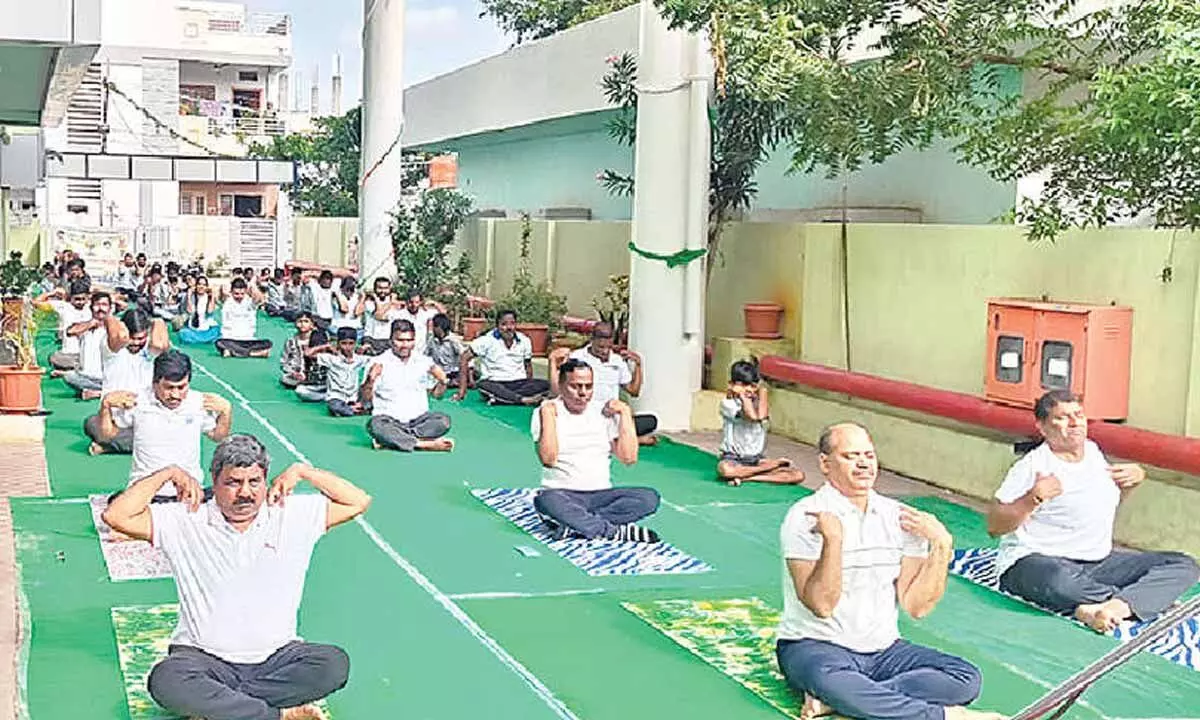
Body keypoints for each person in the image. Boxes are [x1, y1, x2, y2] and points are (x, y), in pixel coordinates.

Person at [101, 434, 371, 720]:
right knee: (166, 680)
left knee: (332, 665)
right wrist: (168, 473)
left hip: (277, 657)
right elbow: (116, 516)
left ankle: (223, 707)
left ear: (266, 481)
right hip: (203, 658)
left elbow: (358, 501)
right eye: (233, 482)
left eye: (254, 482)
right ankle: (277, 715)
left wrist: (303, 471)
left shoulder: (292, 514)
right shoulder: (186, 518)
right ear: (214, 483)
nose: (245, 493)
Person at [776, 422, 1002, 720]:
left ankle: (843, 701)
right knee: (830, 678)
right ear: (825, 464)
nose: (863, 464)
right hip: (816, 647)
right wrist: (833, 540)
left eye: (868, 455)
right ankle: (947, 717)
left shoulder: (899, 517)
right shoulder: (805, 516)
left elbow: (916, 607)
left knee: (965, 678)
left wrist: (942, 545)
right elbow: (821, 605)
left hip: (884, 650)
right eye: (850, 456)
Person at [987, 390, 1200, 633]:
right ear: (1043, 427)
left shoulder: (1093, 453)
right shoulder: (1032, 466)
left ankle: (1110, 608)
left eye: (1078, 415)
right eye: (1063, 417)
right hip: (1038, 561)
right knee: (1057, 581)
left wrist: (1132, 482)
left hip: (1096, 562)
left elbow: (1100, 508)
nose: (1075, 423)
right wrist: (1032, 498)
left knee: (1183, 565)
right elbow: (994, 526)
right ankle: (1139, 601)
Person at [531, 358, 660, 543]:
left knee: (649, 498)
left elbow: (629, 458)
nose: (583, 393)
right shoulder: (547, 412)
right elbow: (548, 459)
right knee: (546, 501)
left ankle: (578, 526)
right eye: (575, 386)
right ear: (561, 385)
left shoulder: (603, 411)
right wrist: (548, 416)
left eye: (588, 386)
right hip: (562, 493)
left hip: (601, 495)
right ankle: (615, 532)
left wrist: (624, 414)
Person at [94, 350, 233, 498]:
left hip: (188, 491)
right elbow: (106, 436)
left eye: (181, 387)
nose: (175, 395)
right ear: (154, 383)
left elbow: (218, 437)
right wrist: (105, 406)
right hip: (146, 491)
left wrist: (226, 412)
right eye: (169, 388)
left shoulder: (199, 402)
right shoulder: (137, 401)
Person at [550, 322, 657, 445]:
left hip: (611, 417)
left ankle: (614, 437)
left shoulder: (617, 361)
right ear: (593, 340)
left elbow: (634, 391)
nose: (605, 351)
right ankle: (624, 440)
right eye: (601, 348)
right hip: (585, 414)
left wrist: (638, 365)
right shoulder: (577, 358)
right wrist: (553, 363)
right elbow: (557, 392)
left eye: (608, 347)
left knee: (651, 421)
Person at [84, 309, 170, 454]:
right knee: (91, 423)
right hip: (114, 421)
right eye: (133, 338)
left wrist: (157, 320)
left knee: (165, 432)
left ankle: (109, 446)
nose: (136, 343)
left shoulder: (149, 352)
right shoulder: (112, 349)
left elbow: (160, 344)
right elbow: (122, 337)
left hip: (144, 420)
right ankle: (136, 444)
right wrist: (109, 318)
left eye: (141, 338)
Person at [362, 319, 454, 452]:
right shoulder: (378, 362)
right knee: (375, 425)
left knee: (443, 421)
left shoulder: (424, 362)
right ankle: (423, 444)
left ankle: (394, 440)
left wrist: (443, 382)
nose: (405, 345)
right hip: (389, 419)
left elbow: (437, 395)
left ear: (414, 341)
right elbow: (365, 400)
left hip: (418, 420)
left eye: (409, 340)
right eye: (400, 340)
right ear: (391, 340)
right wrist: (370, 380)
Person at [717, 360, 805, 486]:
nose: (748, 389)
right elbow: (751, 416)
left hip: (756, 459)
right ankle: (759, 472)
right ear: (731, 384)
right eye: (743, 385)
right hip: (734, 458)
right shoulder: (728, 404)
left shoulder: (759, 402)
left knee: (797, 475)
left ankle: (747, 478)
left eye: (752, 386)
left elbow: (761, 416)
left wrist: (763, 394)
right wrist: (742, 396)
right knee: (726, 470)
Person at [454, 310, 550, 406]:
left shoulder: (524, 340)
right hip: (495, 382)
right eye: (504, 324)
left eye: (512, 324)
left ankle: (503, 398)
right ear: (497, 326)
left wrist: (529, 383)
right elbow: (464, 357)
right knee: (484, 385)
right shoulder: (486, 340)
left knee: (546, 384)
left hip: (519, 383)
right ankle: (523, 400)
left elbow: (528, 365)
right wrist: (462, 390)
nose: (508, 328)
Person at [61, 291, 112, 400]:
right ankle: (101, 391)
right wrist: (91, 324)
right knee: (69, 376)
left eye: (104, 305)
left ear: (110, 308)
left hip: (107, 377)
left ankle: (98, 393)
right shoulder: (85, 326)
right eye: (97, 305)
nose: (100, 308)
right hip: (86, 376)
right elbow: (70, 332)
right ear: (91, 307)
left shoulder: (114, 329)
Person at [311, 327, 372, 417]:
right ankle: (352, 410)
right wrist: (326, 346)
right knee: (335, 406)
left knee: (372, 402)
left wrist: (368, 348)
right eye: (344, 343)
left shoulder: (359, 359)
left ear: (355, 343)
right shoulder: (331, 358)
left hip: (354, 396)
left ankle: (352, 408)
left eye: (351, 343)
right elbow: (308, 353)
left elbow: (378, 361)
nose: (347, 347)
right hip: (336, 396)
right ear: (338, 344)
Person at [43, 279, 93, 373]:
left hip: (88, 354)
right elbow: (36, 302)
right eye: (77, 299)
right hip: (69, 354)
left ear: (87, 298)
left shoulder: (92, 308)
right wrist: (52, 293)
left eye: (83, 299)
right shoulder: (63, 307)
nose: (80, 302)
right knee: (55, 357)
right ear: (71, 297)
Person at [215, 278, 273, 358]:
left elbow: (260, 298)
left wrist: (252, 286)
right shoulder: (227, 302)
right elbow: (221, 293)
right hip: (230, 339)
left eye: (242, 293)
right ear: (231, 292)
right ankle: (254, 354)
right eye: (236, 294)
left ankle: (233, 352)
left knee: (268, 343)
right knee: (219, 343)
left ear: (245, 291)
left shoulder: (250, 302)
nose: (239, 296)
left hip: (248, 340)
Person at [280, 312, 327, 395]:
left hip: (314, 374)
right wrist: (293, 373)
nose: (302, 324)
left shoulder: (318, 339)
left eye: (306, 321)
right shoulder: (290, 341)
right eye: (300, 321)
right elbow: (284, 362)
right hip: (296, 375)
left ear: (312, 325)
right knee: (284, 379)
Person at [356, 277, 396, 355]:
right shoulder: (369, 303)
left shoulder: (394, 305)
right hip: (370, 338)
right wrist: (389, 301)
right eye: (380, 288)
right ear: (375, 289)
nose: (382, 291)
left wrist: (391, 302)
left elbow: (383, 317)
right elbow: (379, 315)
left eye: (385, 288)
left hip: (386, 339)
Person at [426, 313, 466, 386]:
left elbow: (465, 356)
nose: (432, 329)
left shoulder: (453, 340)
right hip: (437, 373)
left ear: (439, 327)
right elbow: (425, 356)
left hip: (452, 373)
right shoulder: (431, 340)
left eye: (434, 327)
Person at [179, 275, 221, 344]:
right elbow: (189, 311)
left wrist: (212, 295)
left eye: (204, 285)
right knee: (183, 333)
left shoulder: (208, 297)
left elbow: (210, 311)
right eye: (199, 284)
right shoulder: (191, 297)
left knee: (217, 331)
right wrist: (189, 295)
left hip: (207, 330)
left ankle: (203, 340)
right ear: (196, 286)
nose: (201, 287)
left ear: (207, 287)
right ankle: (203, 340)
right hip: (194, 329)